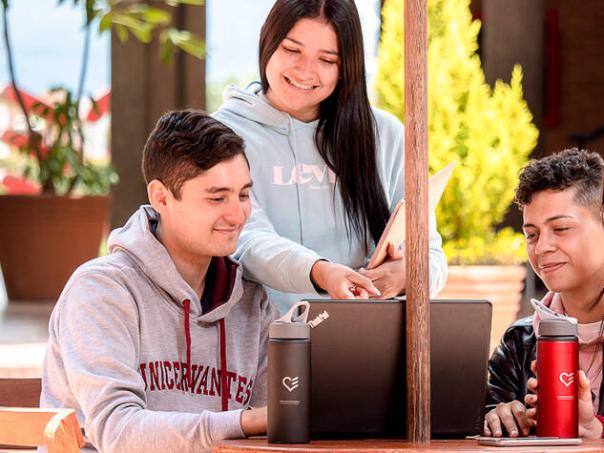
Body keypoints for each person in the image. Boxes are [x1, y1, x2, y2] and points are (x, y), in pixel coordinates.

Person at [40, 110, 277, 452]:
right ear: (161, 197)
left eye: (243, 195)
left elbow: (274, 431)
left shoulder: (253, 303)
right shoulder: (100, 291)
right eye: (217, 198)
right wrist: (244, 422)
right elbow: (118, 432)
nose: (238, 214)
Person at [213, 0, 448, 314]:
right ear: (267, 41)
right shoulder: (223, 135)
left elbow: (432, 255)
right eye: (292, 49)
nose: (305, 70)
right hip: (263, 337)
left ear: (345, 67)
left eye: (326, 59)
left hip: (362, 334)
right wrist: (320, 272)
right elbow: (246, 240)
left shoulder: (384, 135)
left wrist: (407, 275)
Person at [484, 148, 604, 439]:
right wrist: (497, 418)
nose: (541, 248)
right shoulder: (518, 343)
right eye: (532, 234)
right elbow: (484, 417)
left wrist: (595, 430)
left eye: (561, 228)